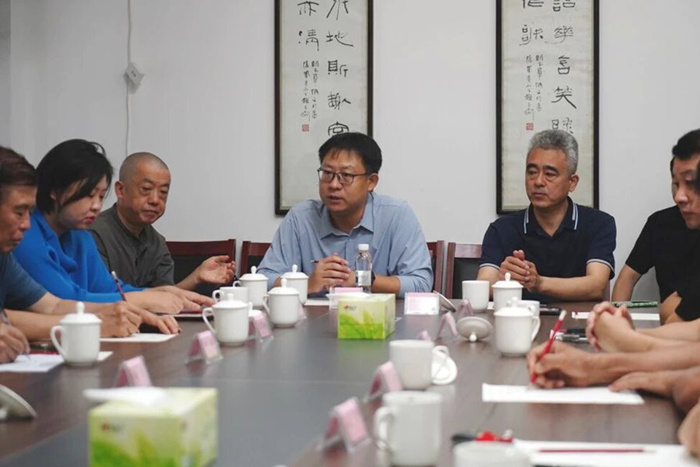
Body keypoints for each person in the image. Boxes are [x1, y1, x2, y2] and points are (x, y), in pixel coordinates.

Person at [0, 147, 156, 363]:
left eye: (101, 196)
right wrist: (96, 322)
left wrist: (121, 311)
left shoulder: (5, 257)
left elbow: (52, 305)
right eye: (19, 212)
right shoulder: (23, 241)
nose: (26, 224)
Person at [11, 139, 199, 318]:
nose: (96, 206)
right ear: (55, 190)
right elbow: (64, 302)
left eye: (101, 196)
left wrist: (161, 293)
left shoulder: (80, 234)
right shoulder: (23, 234)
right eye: (89, 195)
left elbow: (108, 289)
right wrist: (143, 299)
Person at [257, 132, 432, 297]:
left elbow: (421, 283)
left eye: (346, 175)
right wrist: (306, 284)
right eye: (327, 173)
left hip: (377, 317)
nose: (334, 185)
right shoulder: (300, 218)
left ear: (371, 182)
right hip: (313, 318)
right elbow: (264, 279)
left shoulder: (396, 215)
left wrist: (361, 278)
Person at [477, 129, 616, 302]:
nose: (538, 181)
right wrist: (503, 279)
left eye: (549, 174)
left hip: (579, 319)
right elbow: (483, 283)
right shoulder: (502, 229)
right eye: (532, 172)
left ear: (572, 182)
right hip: (521, 317)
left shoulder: (599, 224)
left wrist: (539, 283)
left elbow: (596, 286)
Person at [90, 152, 234, 291]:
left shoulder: (157, 242)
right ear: (121, 190)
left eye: (163, 192)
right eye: (146, 189)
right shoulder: (93, 234)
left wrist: (196, 277)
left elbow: (164, 296)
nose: (155, 200)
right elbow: (101, 298)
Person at [612, 129, 700, 304]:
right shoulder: (660, 223)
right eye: (676, 184)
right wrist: (616, 314)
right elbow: (627, 277)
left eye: (690, 183)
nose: (679, 196)